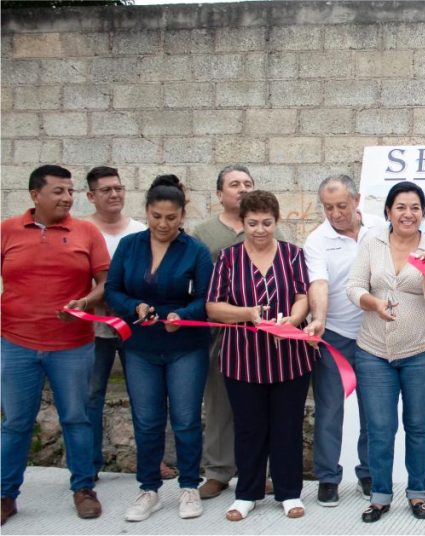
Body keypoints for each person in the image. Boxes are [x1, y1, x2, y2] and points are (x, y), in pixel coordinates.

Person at [1, 165, 109, 523]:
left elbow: (106, 283)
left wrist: (87, 302)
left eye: (70, 191)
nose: (67, 198)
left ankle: (83, 488)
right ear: (35, 195)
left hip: (73, 346)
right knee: (16, 423)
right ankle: (5, 495)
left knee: (77, 419)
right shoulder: (7, 231)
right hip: (16, 344)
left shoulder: (86, 232)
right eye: (58, 191)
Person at [104, 175, 213, 521]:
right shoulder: (129, 246)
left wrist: (182, 314)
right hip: (140, 347)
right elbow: (112, 291)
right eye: (156, 216)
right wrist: (134, 306)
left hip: (186, 347)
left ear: (182, 216)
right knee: (148, 421)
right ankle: (148, 489)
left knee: (185, 420)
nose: (163, 224)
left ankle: (189, 487)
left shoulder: (195, 250)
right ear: (147, 212)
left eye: (170, 217)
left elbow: (207, 300)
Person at [206, 190, 315, 521]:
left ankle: (289, 493)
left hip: (290, 357)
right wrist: (247, 313)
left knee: (287, 427)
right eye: (252, 223)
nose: (260, 230)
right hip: (243, 359)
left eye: (267, 223)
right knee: (249, 428)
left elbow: (302, 296)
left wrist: (294, 320)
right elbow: (212, 307)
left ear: (276, 222)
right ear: (242, 223)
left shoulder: (293, 255)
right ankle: (247, 493)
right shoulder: (227, 258)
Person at [346, 181, 425, 523]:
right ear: (388, 211)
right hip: (374, 352)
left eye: (415, 207)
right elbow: (354, 286)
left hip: (423, 352)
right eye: (401, 207)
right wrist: (373, 303)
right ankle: (379, 495)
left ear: (423, 213)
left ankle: (418, 494)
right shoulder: (372, 243)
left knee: (419, 426)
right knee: (379, 428)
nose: (408, 213)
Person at [192, 165, 287, 500]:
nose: (242, 189)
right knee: (220, 403)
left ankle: (265, 473)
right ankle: (218, 471)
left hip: (270, 337)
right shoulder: (204, 234)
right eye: (234, 184)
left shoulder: (275, 232)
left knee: (266, 411)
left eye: (248, 183)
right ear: (220, 194)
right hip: (224, 334)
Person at [302, 175, 377, 506]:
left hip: (374, 335)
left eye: (342, 206)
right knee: (330, 409)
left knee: (374, 410)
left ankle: (371, 474)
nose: (335, 214)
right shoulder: (317, 240)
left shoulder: (380, 230)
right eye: (328, 207)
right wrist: (318, 318)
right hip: (334, 336)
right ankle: (328, 478)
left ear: (357, 200)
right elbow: (318, 282)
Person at [81, 166, 153, 481]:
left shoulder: (139, 231)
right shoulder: (81, 230)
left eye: (119, 188)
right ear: (91, 196)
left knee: (145, 394)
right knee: (92, 394)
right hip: (92, 329)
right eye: (106, 189)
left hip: (133, 327)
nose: (114, 194)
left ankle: (150, 462)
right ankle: (89, 463)